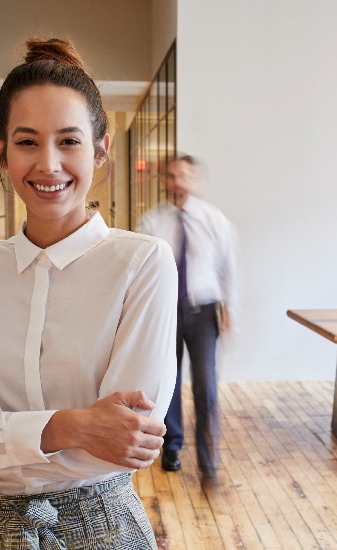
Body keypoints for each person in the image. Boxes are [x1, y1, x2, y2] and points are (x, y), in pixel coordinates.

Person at [0, 38, 177, 548]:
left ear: (100, 151)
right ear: (1, 153)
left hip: (103, 526)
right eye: (28, 141)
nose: (48, 164)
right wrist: (72, 425)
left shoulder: (142, 262)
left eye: (69, 141)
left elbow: (127, 440)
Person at [136, 155, 237, 484]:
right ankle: (173, 447)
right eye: (173, 176)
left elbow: (227, 266)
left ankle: (209, 460)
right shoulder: (152, 222)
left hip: (204, 311)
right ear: (165, 180)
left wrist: (229, 307)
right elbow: (142, 269)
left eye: (185, 176)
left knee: (206, 385)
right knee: (170, 382)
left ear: (193, 181)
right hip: (166, 312)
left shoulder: (213, 219)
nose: (178, 182)